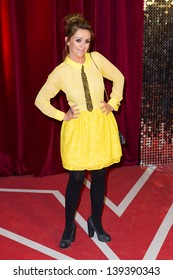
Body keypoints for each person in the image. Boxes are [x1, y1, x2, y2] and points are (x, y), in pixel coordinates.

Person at [35, 13, 124, 249]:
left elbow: (119, 77)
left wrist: (113, 102)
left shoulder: (96, 59)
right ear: (67, 40)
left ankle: (96, 221)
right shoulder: (60, 71)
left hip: (100, 125)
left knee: (99, 176)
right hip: (77, 128)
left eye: (86, 41)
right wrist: (61, 115)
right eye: (78, 40)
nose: (82, 46)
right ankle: (69, 225)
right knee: (75, 178)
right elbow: (41, 100)